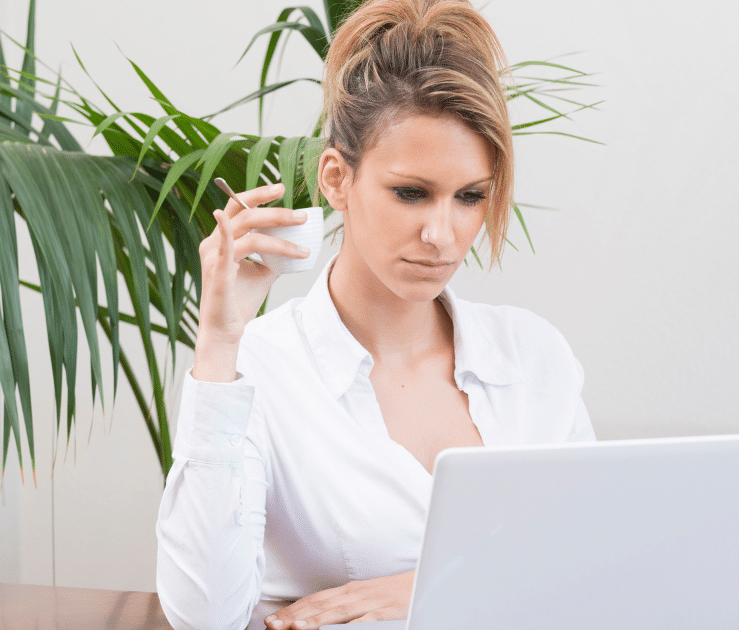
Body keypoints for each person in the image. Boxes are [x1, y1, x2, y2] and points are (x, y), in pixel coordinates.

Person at [155, 1, 595, 629]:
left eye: (470, 197)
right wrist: (219, 342)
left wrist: (427, 589)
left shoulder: (534, 357)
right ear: (336, 178)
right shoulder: (256, 371)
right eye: (411, 192)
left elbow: (590, 567)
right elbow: (204, 615)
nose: (442, 234)